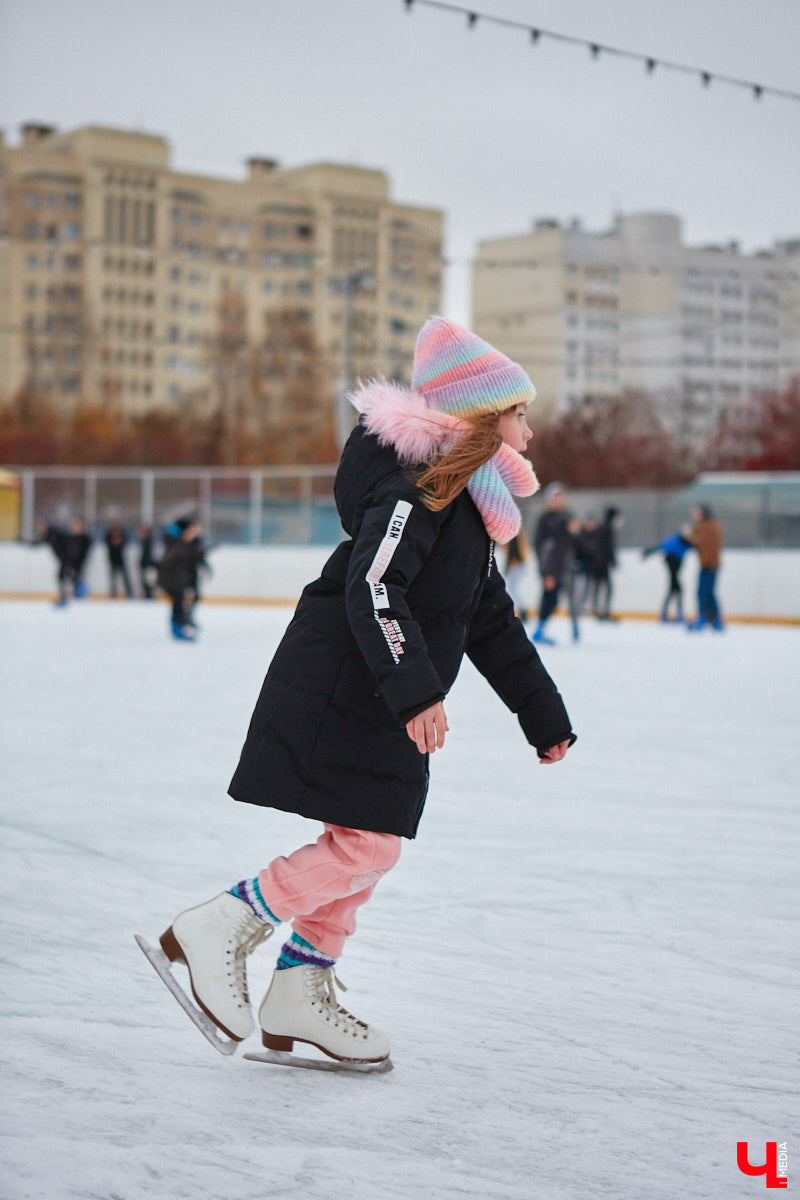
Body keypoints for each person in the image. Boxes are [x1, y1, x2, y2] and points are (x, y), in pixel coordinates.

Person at [146, 317, 576, 1068]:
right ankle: (224, 925)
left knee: (373, 844)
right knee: (368, 842)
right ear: (481, 416)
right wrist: (415, 693)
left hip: (383, 697)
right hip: (348, 686)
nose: (530, 432)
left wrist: (543, 716)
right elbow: (375, 583)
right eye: (519, 413)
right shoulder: (420, 489)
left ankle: (298, 990)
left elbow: (489, 620)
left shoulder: (467, 508)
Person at [531, 482, 574, 645]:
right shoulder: (545, 518)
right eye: (556, 497)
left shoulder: (568, 516)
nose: (559, 500)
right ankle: (539, 630)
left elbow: (572, 543)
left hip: (564, 566)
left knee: (555, 600)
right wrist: (546, 571)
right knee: (548, 598)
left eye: (561, 497)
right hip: (550, 567)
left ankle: (541, 629)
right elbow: (542, 546)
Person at [157, 519, 206, 640]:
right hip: (173, 579)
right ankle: (177, 628)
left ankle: (184, 622)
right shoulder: (176, 545)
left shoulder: (191, 544)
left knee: (186, 600)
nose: (196, 533)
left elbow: (196, 558)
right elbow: (170, 563)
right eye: (194, 530)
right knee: (178, 603)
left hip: (183, 578)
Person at [36, 516, 92, 607]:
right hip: (67, 561)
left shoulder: (84, 538)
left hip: (74, 562)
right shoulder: (68, 536)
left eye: (77, 525)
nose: (74, 527)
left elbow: (81, 552)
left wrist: (73, 560)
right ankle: (67, 597)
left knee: (71, 577)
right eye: (74, 525)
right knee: (64, 577)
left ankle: (75, 595)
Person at [641, 528, 694, 622]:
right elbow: (661, 546)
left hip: (677, 567)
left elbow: (696, 545)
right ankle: (676, 614)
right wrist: (649, 552)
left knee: (673, 590)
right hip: (671, 564)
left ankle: (666, 614)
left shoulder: (687, 544)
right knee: (678, 589)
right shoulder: (675, 541)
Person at [687, 504, 724, 631]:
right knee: (709, 593)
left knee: (703, 592)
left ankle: (703, 618)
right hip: (712, 564)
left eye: (697, 512)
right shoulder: (713, 526)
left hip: (708, 564)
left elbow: (697, 541)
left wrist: (690, 538)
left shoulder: (704, 527)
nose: (695, 515)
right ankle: (716, 619)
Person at [591, 506, 620, 621]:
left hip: (598, 562)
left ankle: (597, 609)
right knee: (608, 588)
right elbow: (608, 547)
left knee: (599, 587)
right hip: (602, 563)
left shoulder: (601, 527)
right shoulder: (608, 529)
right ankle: (603, 611)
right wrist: (613, 561)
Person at [501, 526, 535, 622]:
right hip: (515, 566)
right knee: (512, 589)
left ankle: (523, 611)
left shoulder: (516, 537)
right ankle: (522, 611)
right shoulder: (514, 538)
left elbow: (514, 553)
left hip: (516, 565)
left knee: (513, 589)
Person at [105, 521, 133, 599]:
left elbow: (124, 543)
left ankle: (129, 592)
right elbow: (108, 544)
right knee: (113, 578)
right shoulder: (109, 535)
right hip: (112, 559)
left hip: (121, 559)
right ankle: (113, 593)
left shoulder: (122, 535)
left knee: (125, 577)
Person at [137, 525, 159, 600]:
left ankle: (148, 595)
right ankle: (148, 595)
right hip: (146, 563)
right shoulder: (145, 541)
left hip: (148, 564)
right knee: (147, 581)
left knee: (148, 581)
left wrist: (145, 563)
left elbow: (147, 555)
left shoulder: (147, 541)